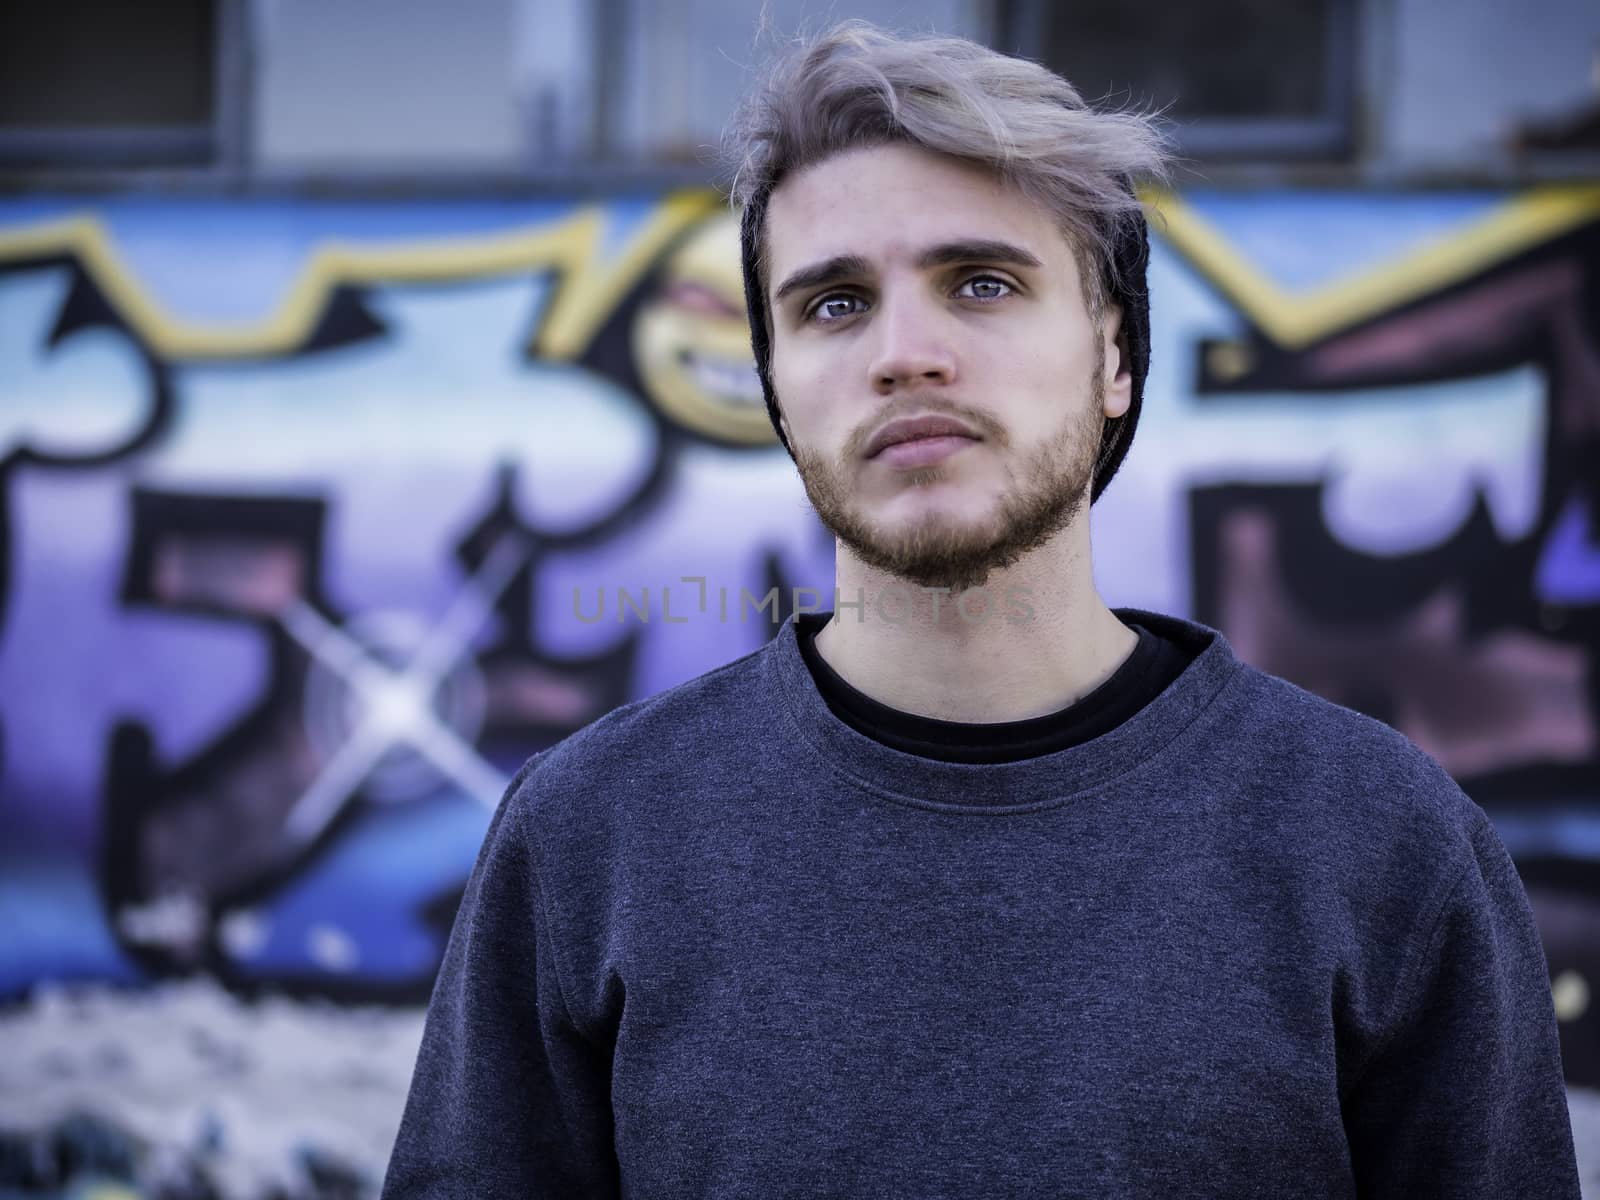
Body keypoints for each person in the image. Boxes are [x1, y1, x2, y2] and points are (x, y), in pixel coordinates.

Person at [382, 21, 1581, 1199]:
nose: (905, 354)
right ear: (778, 391)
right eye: (834, 305)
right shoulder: (591, 837)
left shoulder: (1382, 844)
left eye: (983, 283)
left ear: (1114, 359)